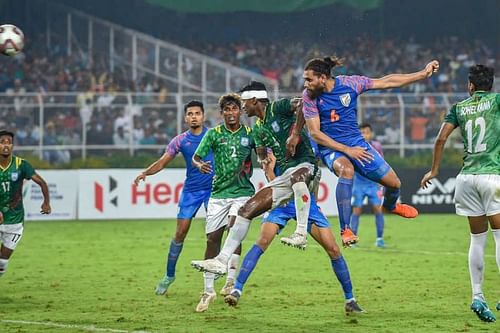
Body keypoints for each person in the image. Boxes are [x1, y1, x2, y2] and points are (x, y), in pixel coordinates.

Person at [299, 56, 439, 247]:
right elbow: (315, 133)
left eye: (309, 79)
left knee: (394, 184)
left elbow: (387, 81)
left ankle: (390, 206)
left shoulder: (350, 83)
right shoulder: (308, 96)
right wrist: (347, 150)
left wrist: (422, 74)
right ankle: (346, 229)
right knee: (346, 170)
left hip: (357, 144)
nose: (305, 84)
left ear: (323, 78)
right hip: (330, 147)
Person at [191, 81, 318, 275]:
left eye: (243, 103)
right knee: (246, 210)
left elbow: (303, 103)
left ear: (254, 100)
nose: (242, 107)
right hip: (284, 176)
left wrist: (294, 135)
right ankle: (221, 260)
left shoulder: (278, 107)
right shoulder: (258, 128)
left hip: (305, 164)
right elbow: (261, 152)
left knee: (298, 179)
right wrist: (262, 159)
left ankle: (300, 233)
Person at [224, 150, 364, 314]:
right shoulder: (278, 144)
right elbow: (270, 176)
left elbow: (315, 177)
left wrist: (313, 204)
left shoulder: (311, 145)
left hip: (307, 203)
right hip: (282, 202)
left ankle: (350, 300)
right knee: (262, 241)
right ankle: (237, 290)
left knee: (333, 249)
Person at [420, 64, 499, 323]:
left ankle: (478, 296)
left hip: (466, 178)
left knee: (477, 239)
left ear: (471, 86)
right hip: (492, 175)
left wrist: (433, 171)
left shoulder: (459, 107)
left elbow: (440, 140)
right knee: (499, 237)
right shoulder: (497, 101)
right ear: (492, 85)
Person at [133, 100, 214, 296]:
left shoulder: (213, 135)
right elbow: (163, 161)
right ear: (185, 118)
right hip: (191, 191)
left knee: (214, 234)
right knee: (180, 233)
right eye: (190, 113)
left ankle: (215, 272)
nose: (194, 116)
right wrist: (145, 172)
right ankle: (169, 275)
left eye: (197, 113)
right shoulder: (180, 141)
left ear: (203, 116)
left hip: (214, 190)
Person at [191, 93, 255, 312]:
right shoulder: (214, 134)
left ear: (240, 110)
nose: (230, 113)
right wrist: (199, 165)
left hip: (243, 191)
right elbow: (197, 157)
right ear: (222, 113)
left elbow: (265, 154)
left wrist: (269, 163)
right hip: (218, 193)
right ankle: (208, 291)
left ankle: (230, 280)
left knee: (235, 225)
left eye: (234, 108)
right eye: (226, 110)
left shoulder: (251, 133)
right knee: (212, 240)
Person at [0, 129, 51, 277]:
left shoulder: (21, 165)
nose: (6, 145)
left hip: (15, 221)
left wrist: (46, 203)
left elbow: (41, 182)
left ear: (12, 146)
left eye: (9, 143)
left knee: (2, 262)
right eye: (2, 142)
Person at [350, 123, 386, 248]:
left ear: (371, 134)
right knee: (356, 211)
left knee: (378, 210)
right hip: (358, 184)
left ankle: (380, 239)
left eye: (367, 132)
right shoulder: (354, 147)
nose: (364, 134)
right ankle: (353, 239)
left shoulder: (377, 146)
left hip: (373, 184)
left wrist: (381, 182)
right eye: (362, 132)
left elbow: (382, 164)